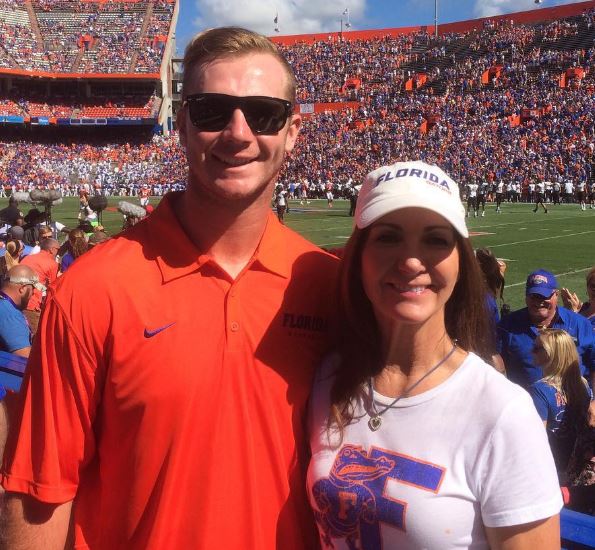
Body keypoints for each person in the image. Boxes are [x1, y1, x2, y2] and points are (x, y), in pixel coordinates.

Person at [1, 27, 339, 550]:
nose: (238, 132)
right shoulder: (93, 288)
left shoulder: (327, 284)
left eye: (264, 113)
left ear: (293, 131)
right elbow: (40, 491)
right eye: (211, 111)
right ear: (180, 125)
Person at [308, 161, 561, 550]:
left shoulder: (503, 413)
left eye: (436, 240)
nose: (411, 261)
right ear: (359, 257)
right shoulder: (329, 377)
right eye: (388, 237)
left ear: (461, 261)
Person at [498, 269, 595, 392]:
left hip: (572, 405)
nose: (538, 302)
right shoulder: (508, 325)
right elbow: (495, 364)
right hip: (527, 406)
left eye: (544, 296)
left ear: (556, 295)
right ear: (526, 296)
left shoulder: (579, 324)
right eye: (534, 296)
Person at [528, 329, 592, 477]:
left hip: (551, 465)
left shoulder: (539, 390)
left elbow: (536, 438)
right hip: (577, 461)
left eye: (537, 348)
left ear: (552, 354)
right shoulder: (583, 385)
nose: (531, 351)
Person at [0, 265, 44, 358]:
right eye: (32, 288)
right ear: (22, 289)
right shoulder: (11, 315)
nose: (33, 293)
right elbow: (24, 358)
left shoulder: (4, 305)